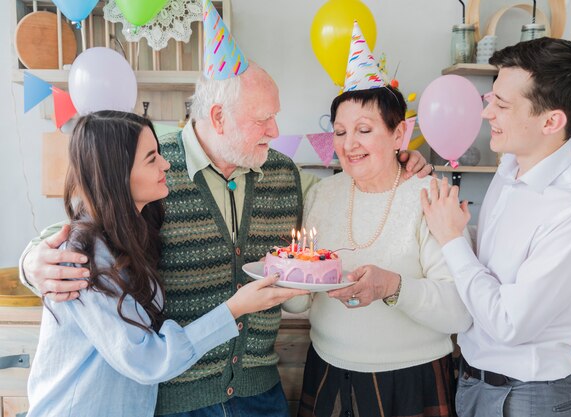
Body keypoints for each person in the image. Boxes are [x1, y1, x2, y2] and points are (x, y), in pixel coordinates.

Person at [18, 6, 431, 417]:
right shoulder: (154, 168)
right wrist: (31, 263)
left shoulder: (283, 173)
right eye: (264, 119)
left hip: (260, 393)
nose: (275, 130)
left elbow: (351, 189)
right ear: (219, 117)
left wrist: (402, 163)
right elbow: (88, 228)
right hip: (177, 400)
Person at [27, 111, 307, 417]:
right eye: (151, 158)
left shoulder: (130, 234)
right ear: (116, 174)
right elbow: (146, 359)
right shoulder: (85, 258)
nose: (166, 164)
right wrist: (235, 308)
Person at [420, 37, 571, 417]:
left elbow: (509, 324)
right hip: (472, 382)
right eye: (490, 99)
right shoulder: (511, 167)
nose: (486, 113)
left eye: (502, 104)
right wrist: (459, 229)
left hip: (528, 399)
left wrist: (451, 239)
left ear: (551, 121)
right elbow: (494, 267)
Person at [283, 22, 472, 417]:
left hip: (412, 381)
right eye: (339, 131)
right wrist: (290, 282)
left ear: (398, 133)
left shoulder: (430, 196)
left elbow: (459, 309)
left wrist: (393, 286)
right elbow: (302, 302)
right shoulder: (321, 194)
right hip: (328, 372)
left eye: (364, 130)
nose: (348, 144)